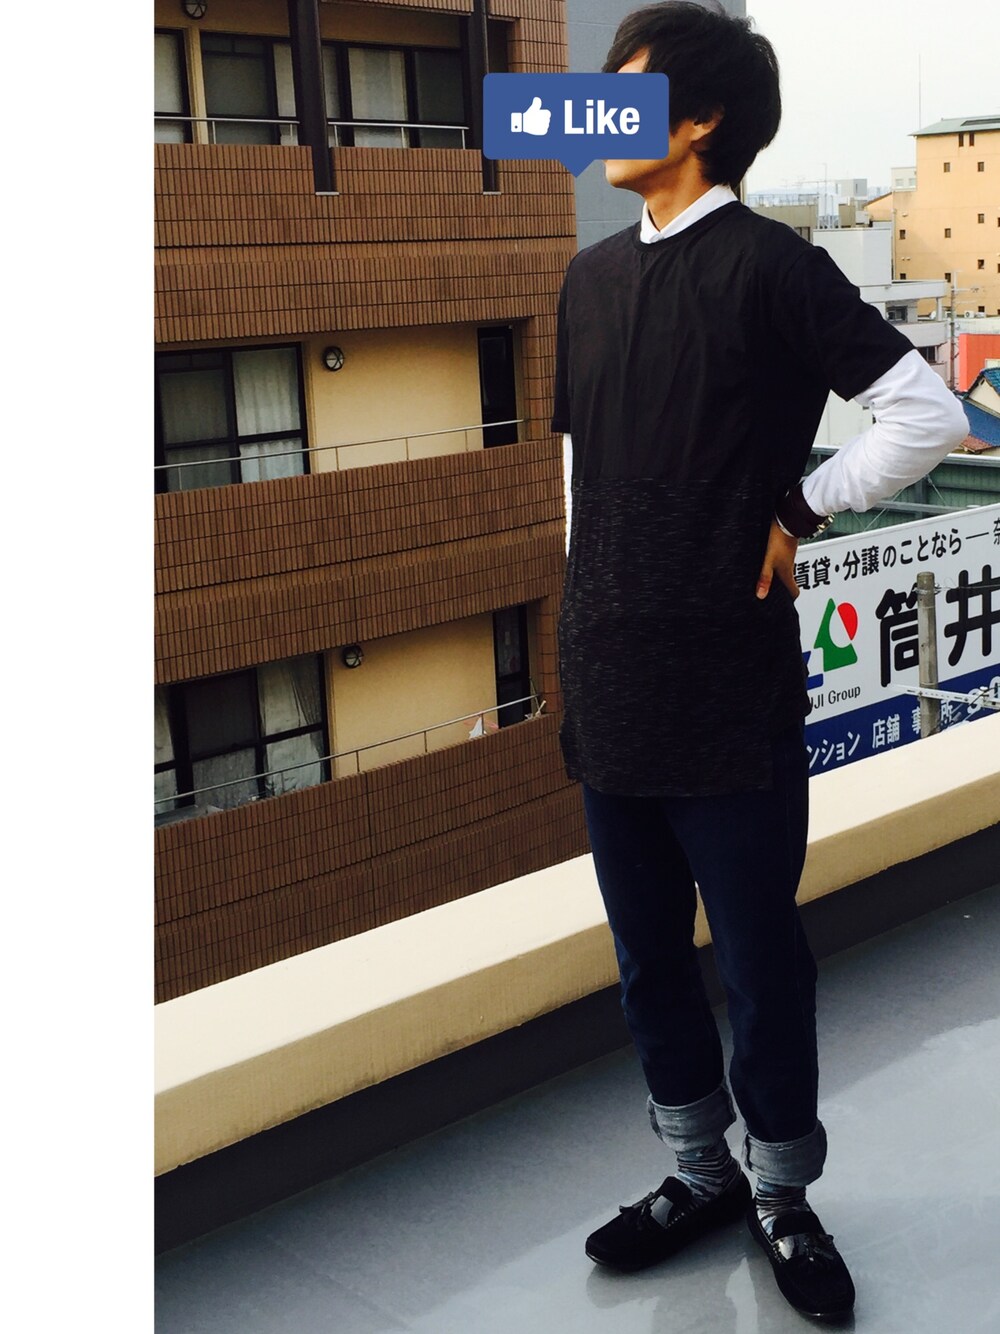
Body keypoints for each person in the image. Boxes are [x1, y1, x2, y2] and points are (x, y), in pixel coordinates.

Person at [550, 2, 968, 1322]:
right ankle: (699, 1173)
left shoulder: (773, 266)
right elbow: (582, 474)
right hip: (609, 678)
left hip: (729, 683)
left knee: (758, 959)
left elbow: (927, 411)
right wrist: (580, 614)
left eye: (623, 91)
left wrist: (801, 507)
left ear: (700, 118)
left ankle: (782, 1189)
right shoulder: (588, 280)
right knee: (644, 958)